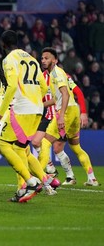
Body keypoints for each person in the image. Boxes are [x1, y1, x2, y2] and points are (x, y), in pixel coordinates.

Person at [0, 30, 57, 202]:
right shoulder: (31, 58)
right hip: (37, 109)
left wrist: (0, 113)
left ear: (3, 44)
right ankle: (25, 188)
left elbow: (12, 86)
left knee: (3, 145)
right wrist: (35, 99)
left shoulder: (9, 59)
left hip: (22, 109)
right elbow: (44, 87)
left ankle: (30, 181)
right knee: (20, 148)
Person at [38, 47, 100, 186]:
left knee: (45, 142)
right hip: (73, 111)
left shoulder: (57, 74)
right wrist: (42, 106)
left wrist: (61, 116)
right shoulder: (58, 74)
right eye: (42, 58)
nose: (43, 60)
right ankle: (91, 178)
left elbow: (66, 94)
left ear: (55, 60)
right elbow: (58, 98)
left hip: (66, 112)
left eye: (46, 58)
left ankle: (40, 179)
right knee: (75, 148)